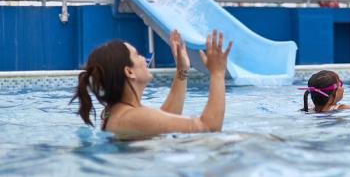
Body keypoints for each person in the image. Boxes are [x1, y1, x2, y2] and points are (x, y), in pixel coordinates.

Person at [72, 29, 232, 139]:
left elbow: (165, 118)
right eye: (137, 55)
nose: (144, 59)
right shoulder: (132, 117)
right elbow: (208, 128)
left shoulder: (119, 113)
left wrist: (182, 70)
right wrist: (217, 73)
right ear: (129, 72)